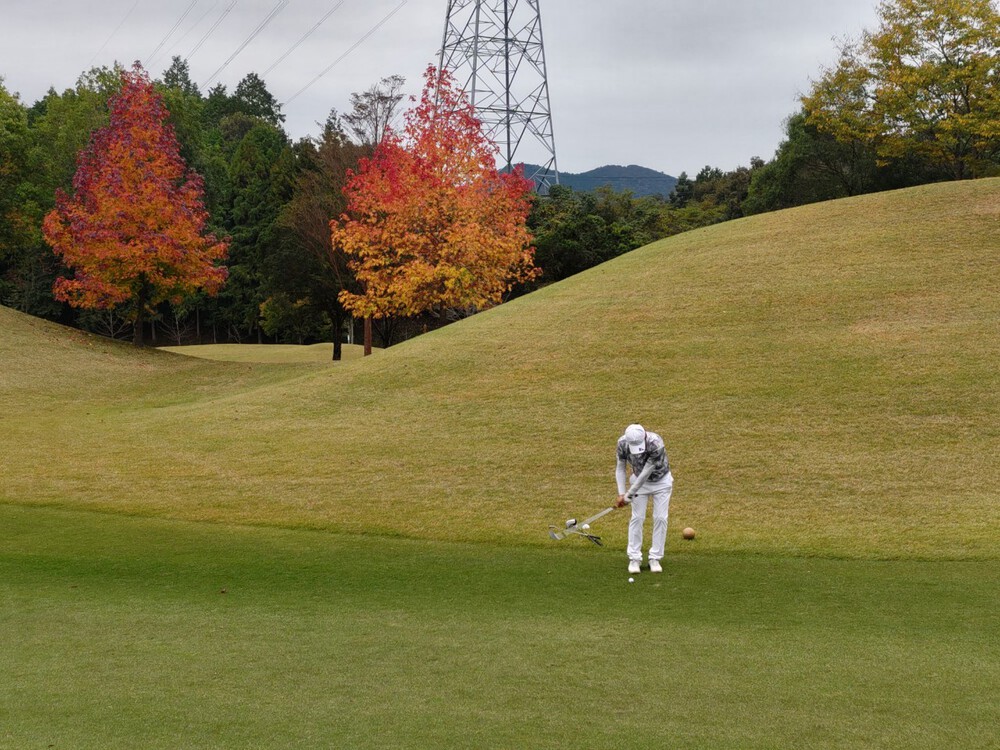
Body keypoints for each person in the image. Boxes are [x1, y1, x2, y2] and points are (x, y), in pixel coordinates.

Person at [615, 423, 673, 574]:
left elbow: (646, 472)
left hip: (661, 482)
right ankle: (634, 558)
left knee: (660, 518)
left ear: (644, 437)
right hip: (638, 483)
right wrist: (621, 493)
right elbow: (620, 467)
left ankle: (655, 558)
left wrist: (629, 494)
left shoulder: (656, 443)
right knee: (637, 517)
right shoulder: (622, 443)